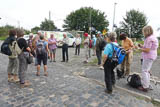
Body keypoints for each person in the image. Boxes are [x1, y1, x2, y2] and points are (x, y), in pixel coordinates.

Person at [138, 26, 159, 92]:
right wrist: (142, 46)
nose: (143, 33)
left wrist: (139, 49)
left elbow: (147, 50)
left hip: (148, 56)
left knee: (144, 71)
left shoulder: (148, 39)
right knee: (147, 71)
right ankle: (147, 84)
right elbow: (149, 47)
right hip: (152, 56)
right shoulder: (153, 37)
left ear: (146, 31)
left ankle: (145, 87)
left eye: (144, 31)